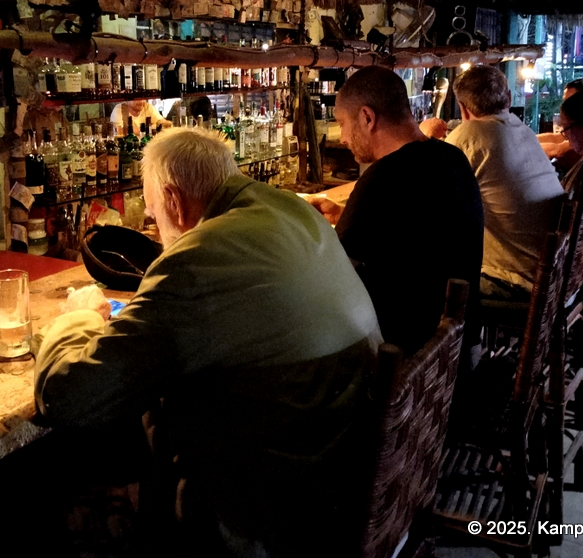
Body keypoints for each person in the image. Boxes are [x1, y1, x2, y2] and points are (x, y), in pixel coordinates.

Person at [34, 127, 381, 558]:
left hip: (263, 519)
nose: (159, 229)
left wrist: (79, 319)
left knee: (49, 493)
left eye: (156, 214)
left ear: (175, 202)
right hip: (336, 477)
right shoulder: (295, 212)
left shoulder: (198, 258)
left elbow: (67, 396)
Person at [307, 66, 484, 360]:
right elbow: (413, 232)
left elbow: (335, 280)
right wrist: (346, 214)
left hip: (404, 364)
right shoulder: (451, 158)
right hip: (458, 352)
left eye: (342, 123)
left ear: (367, 117)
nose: (343, 138)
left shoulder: (383, 179)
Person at [446, 64, 566, 302]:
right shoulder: (523, 131)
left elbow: (430, 197)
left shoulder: (468, 136)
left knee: (421, 276)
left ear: (463, 109)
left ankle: (457, 339)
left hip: (518, 281)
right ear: (509, 99)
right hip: (559, 273)